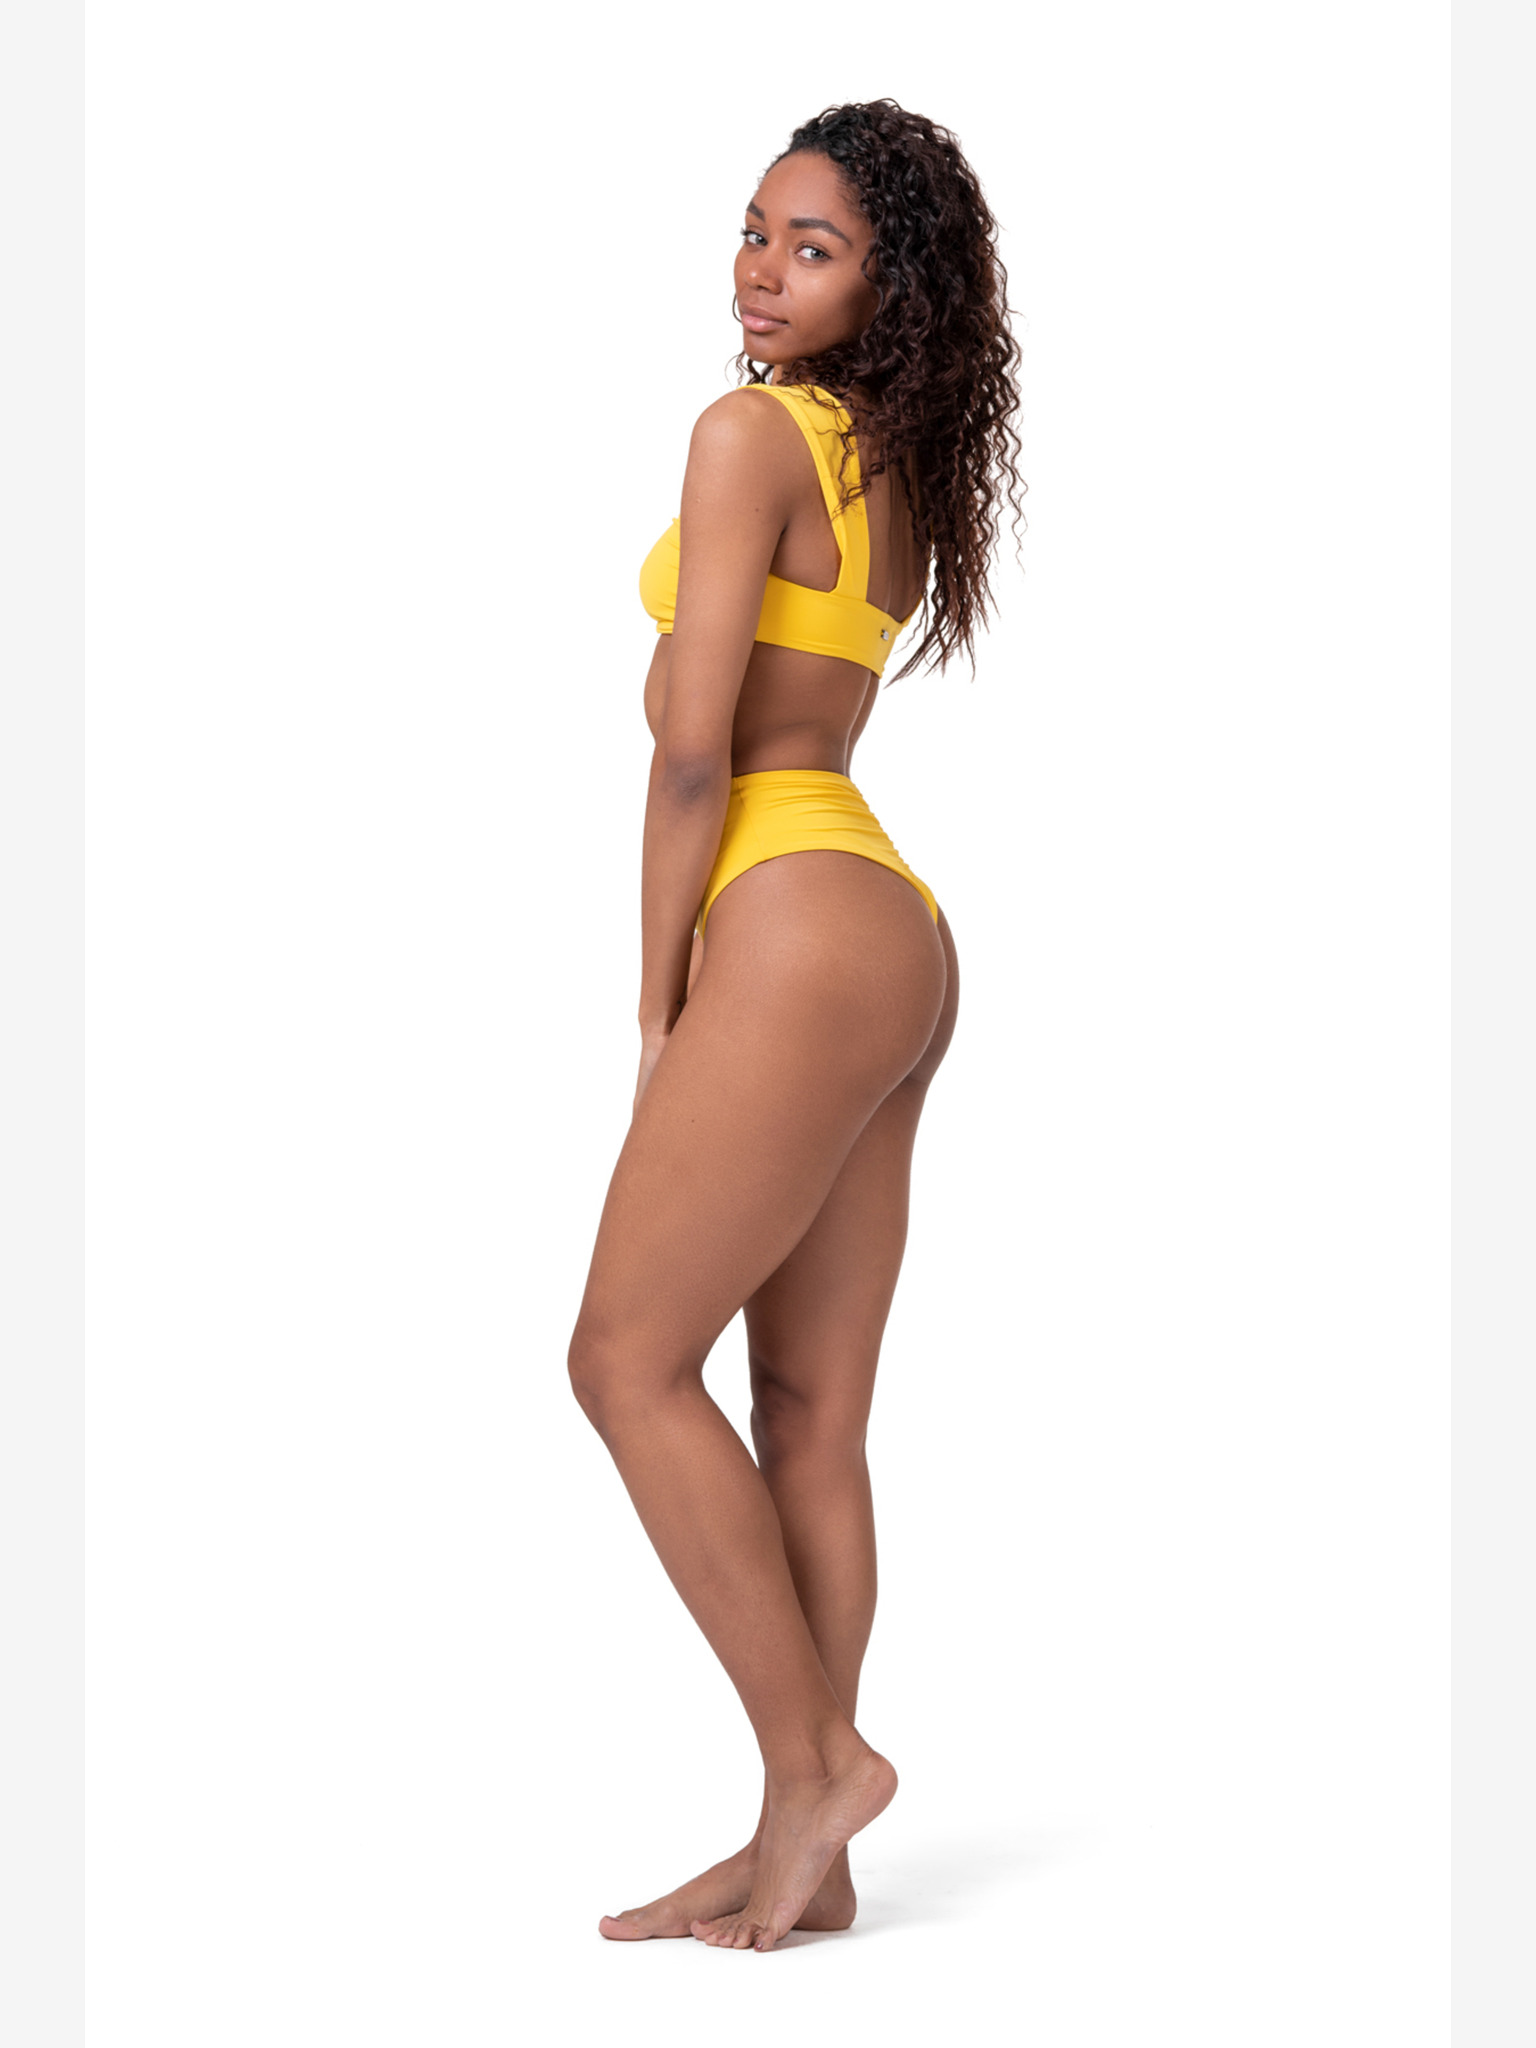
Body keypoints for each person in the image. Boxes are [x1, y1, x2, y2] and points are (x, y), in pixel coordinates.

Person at [568, 99, 1023, 1953]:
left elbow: (697, 757)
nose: (762, 269)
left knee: (623, 1360)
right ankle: (804, 1850)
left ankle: (817, 1760)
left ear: (885, 287)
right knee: (811, 1415)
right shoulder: (896, 461)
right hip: (893, 929)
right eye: (755, 230)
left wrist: (656, 1005)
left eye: (813, 247)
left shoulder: (747, 436)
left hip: (786, 911)